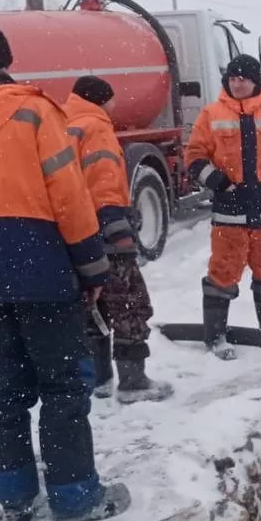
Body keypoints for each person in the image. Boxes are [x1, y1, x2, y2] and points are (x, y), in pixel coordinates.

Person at [0, 11, 130, 521]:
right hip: (41, 266)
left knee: (6, 386)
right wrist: (91, 264)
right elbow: (70, 197)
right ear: (8, 62)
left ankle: (15, 498)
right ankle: (75, 498)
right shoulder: (35, 113)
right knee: (62, 383)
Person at [184, 55, 261, 359]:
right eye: (233, 78)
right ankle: (215, 337)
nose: (237, 83)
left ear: (256, 82)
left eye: (243, 78)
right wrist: (220, 184)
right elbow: (194, 157)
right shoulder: (211, 114)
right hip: (229, 215)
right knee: (222, 272)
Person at [63, 76, 173, 404]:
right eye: (111, 99)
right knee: (129, 302)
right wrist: (117, 228)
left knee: (92, 305)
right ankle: (133, 381)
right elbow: (103, 182)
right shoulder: (96, 127)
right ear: (102, 100)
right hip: (103, 229)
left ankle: (100, 380)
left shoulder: (63, 124)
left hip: (77, 232)